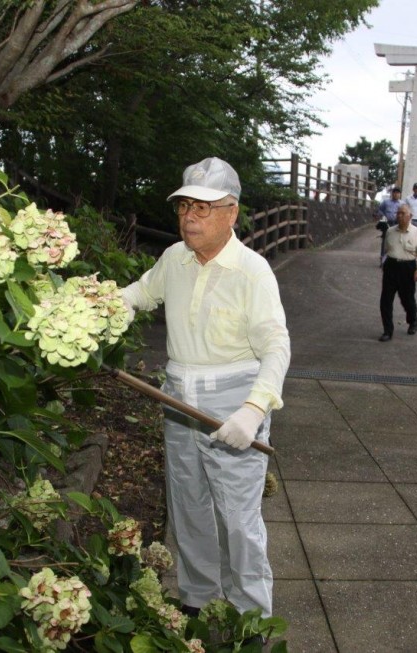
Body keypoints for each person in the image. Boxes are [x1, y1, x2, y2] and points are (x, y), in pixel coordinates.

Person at [121, 157, 290, 626]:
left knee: (239, 519)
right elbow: (138, 294)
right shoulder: (174, 259)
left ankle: (250, 617)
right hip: (177, 399)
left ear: (231, 212)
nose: (190, 217)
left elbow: (277, 346)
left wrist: (254, 410)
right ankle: (197, 598)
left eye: (204, 207)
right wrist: (99, 308)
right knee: (188, 504)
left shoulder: (251, 272)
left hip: (231, 402)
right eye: (184, 207)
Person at [379, 204, 417, 341]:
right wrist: (384, 263)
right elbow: (386, 250)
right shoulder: (390, 231)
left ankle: (413, 321)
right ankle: (387, 330)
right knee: (385, 301)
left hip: (408, 267)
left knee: (407, 300)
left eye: (402, 213)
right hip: (391, 267)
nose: (399, 215)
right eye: (398, 213)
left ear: (410, 216)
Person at [376, 187, 403, 266]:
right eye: (394, 192)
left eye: (398, 193)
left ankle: (395, 259)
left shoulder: (401, 203)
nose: (396, 194)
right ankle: (383, 259)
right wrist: (383, 215)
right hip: (387, 223)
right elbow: (380, 209)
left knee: (397, 241)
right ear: (392, 193)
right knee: (385, 241)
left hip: (397, 224)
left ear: (400, 194)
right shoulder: (386, 202)